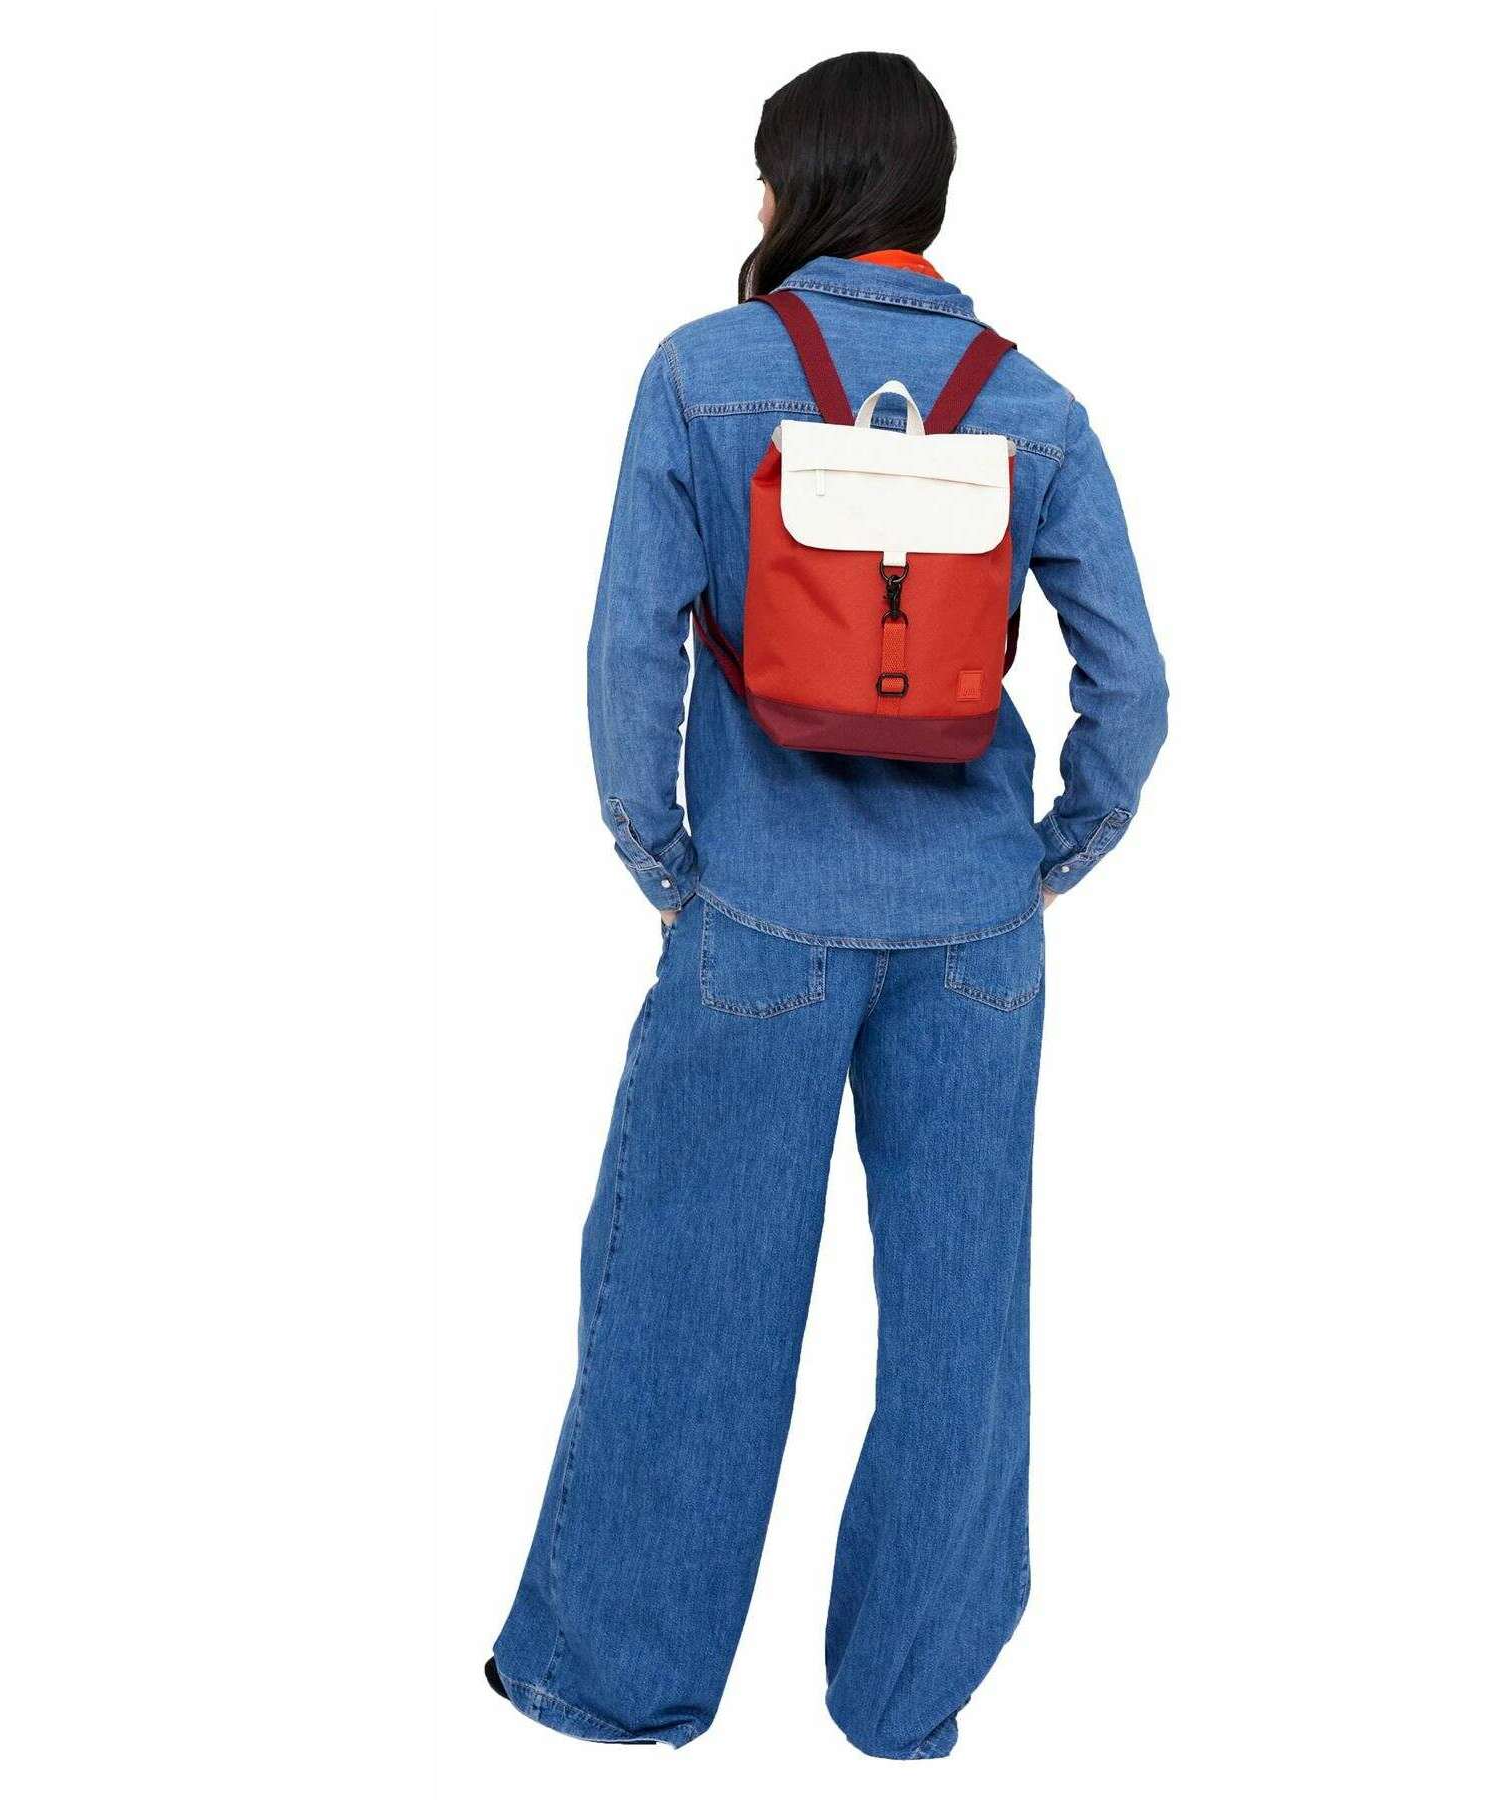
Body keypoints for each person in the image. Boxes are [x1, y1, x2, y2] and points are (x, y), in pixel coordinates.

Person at [488, 50, 1168, 1760]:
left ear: (799, 189)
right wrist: (1051, 856)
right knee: (960, 1330)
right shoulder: (1035, 405)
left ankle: (618, 1683)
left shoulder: (702, 375)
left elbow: (627, 652)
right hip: (979, 935)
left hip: (759, 917)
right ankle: (901, 1701)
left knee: (692, 1306)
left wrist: (665, 861)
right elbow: (1135, 690)